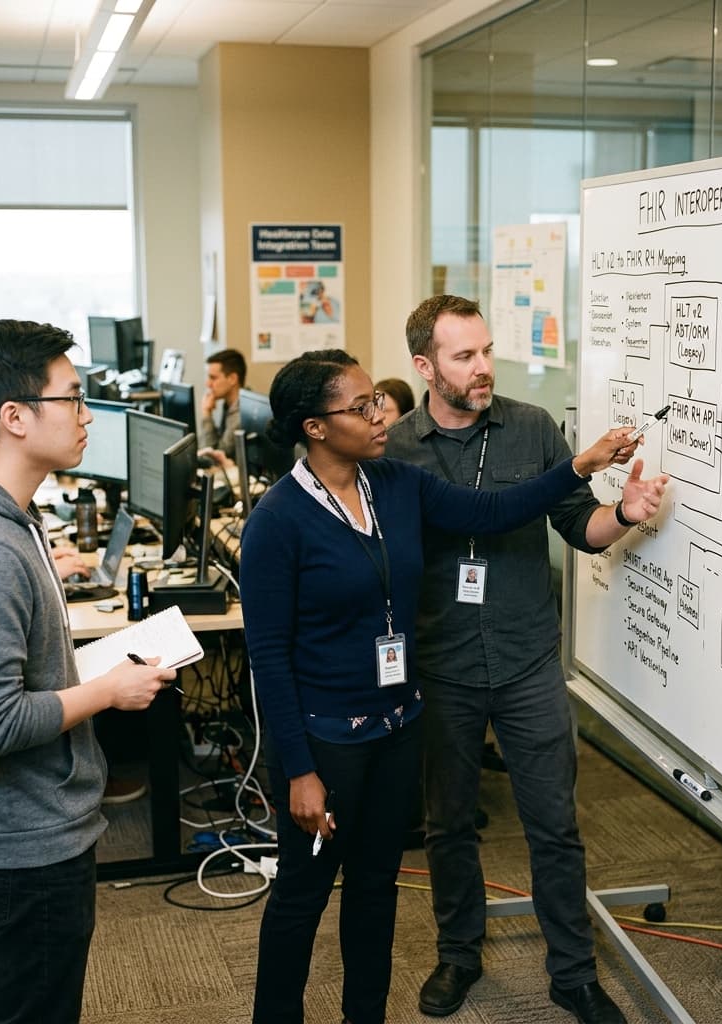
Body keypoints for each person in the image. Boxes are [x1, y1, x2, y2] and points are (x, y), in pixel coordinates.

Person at [239, 348, 664, 1024]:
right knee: (302, 896)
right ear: (315, 429)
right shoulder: (278, 521)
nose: (380, 414)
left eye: (376, 398)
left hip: (399, 728)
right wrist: (298, 771)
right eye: (360, 407)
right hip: (328, 745)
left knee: (376, 889)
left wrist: (581, 467)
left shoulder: (396, 484)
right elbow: (266, 654)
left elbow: (494, 512)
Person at [385, 295, 669, 1024]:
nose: (483, 368)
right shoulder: (397, 449)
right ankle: (459, 955)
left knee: (555, 825)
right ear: (424, 366)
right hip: (441, 663)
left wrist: (625, 515)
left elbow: (579, 527)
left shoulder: (532, 427)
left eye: (486, 351)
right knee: (448, 824)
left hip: (525, 659)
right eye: (463, 356)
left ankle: (573, 974)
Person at [0, 319, 175, 1024]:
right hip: (22, 834)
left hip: (6, 825)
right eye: (73, 400)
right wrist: (108, 689)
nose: (87, 417)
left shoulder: (4, 519)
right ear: (15, 417)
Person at [199, 348, 247, 458]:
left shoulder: (240, 415)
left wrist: (206, 414)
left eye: (213, 378)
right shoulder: (229, 405)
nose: (208, 384)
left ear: (232, 379)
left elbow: (211, 457)